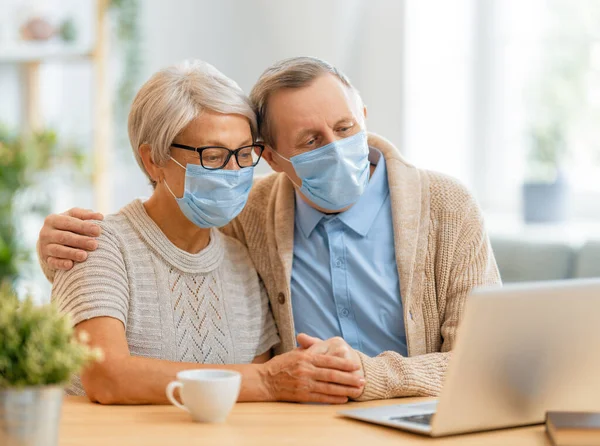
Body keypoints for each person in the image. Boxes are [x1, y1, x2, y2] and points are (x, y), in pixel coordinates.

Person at [39, 57, 501, 402]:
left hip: (417, 416)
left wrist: (366, 376)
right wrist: (58, 256)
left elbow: (485, 361)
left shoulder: (447, 207)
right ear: (274, 160)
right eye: (310, 141)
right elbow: (156, 240)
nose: (336, 149)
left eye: (345, 127)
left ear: (363, 114)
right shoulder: (248, 216)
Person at [47, 60, 365, 405]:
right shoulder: (94, 244)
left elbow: (253, 407)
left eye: (244, 154)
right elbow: (107, 377)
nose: (233, 172)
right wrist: (269, 381)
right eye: (213, 157)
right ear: (154, 160)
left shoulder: (242, 257)